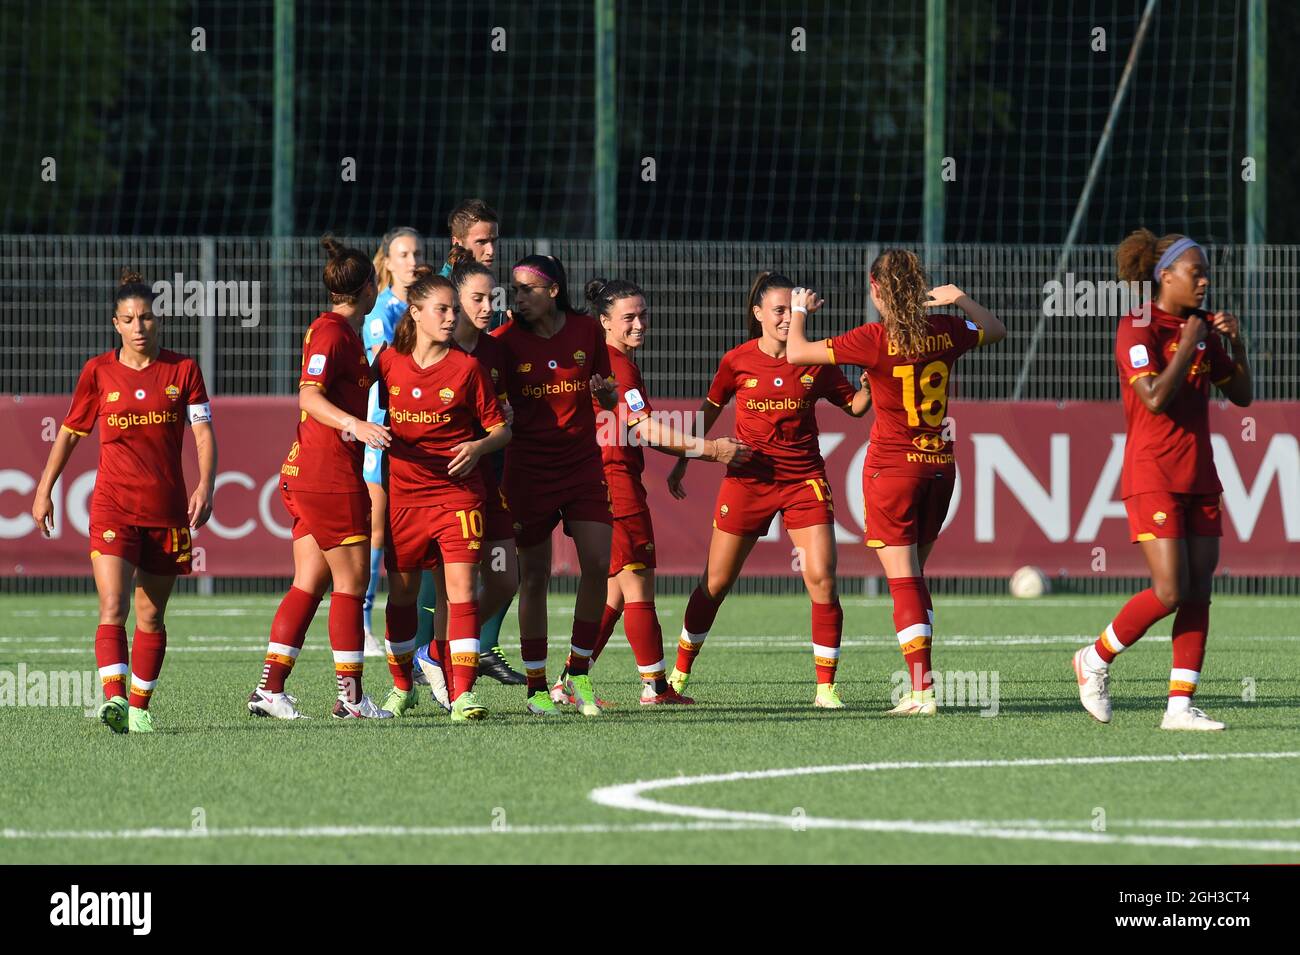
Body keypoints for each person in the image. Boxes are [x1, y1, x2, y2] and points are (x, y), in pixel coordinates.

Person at [786, 249, 1005, 716]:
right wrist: (960, 298)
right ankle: (920, 685)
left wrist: (801, 310)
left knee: (903, 581)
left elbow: (797, 352)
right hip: (940, 467)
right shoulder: (944, 329)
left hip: (892, 469)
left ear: (875, 289)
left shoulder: (873, 338)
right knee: (915, 579)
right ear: (919, 287)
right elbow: (996, 329)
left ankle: (922, 691)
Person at [1071, 230, 1252, 730]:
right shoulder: (1138, 326)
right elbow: (1152, 397)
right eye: (1196, 273)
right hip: (1153, 473)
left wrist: (1234, 345)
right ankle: (1094, 658)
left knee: (1198, 591)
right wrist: (1189, 345)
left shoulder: (1202, 329)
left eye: (1207, 273)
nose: (1205, 281)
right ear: (1164, 276)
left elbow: (1242, 396)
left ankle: (1179, 705)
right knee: (1170, 589)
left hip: (1201, 475)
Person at [667, 272, 871, 707]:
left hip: (803, 480)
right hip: (748, 480)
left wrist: (873, 386)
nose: (784, 318)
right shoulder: (736, 361)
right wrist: (685, 460)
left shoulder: (816, 359)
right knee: (716, 583)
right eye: (777, 310)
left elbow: (854, 407)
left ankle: (825, 688)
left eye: (789, 310)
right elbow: (708, 411)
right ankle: (679, 675)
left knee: (822, 579)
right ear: (758, 314)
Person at [31, 269, 217, 734]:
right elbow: (71, 434)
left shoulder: (183, 371)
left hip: (167, 511)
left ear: (159, 321)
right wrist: (43, 488)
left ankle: (139, 706)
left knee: (151, 615)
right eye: (129, 319)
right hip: (113, 508)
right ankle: (114, 700)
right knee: (113, 605)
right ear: (116, 324)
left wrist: (206, 485)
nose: (139, 327)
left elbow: (203, 433)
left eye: (147, 318)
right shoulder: (98, 372)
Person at [552, 278, 750, 705]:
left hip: (602, 477)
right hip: (612, 481)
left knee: (618, 591)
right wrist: (712, 449)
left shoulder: (610, 360)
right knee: (638, 585)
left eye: (643, 314)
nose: (640, 324)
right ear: (604, 322)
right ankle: (655, 686)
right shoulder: (615, 365)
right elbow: (647, 429)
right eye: (629, 317)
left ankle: (569, 680)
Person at [247, 236, 394, 720]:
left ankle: (269, 689)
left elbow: (354, 381)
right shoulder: (331, 332)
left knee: (308, 582)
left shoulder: (344, 333)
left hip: (307, 472)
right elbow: (308, 396)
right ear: (368, 288)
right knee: (350, 586)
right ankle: (351, 698)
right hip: (327, 474)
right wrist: (356, 425)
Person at [374, 265, 511, 721]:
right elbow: (346, 396)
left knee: (462, 592)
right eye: (443, 309)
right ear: (415, 313)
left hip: (458, 496)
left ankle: (464, 693)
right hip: (406, 499)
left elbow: (500, 430)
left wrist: (479, 445)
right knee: (403, 597)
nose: (452, 317)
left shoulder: (468, 368)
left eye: (455, 309)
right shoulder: (388, 361)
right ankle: (401, 687)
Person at [491, 254, 618, 716]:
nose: (518, 296)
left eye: (527, 289)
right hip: (528, 471)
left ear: (553, 291)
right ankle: (536, 687)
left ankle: (579, 673)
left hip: (581, 464)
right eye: (516, 288)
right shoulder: (503, 342)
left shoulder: (587, 333)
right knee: (536, 576)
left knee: (599, 562)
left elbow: (608, 392)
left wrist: (606, 396)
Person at [413, 198, 526, 691]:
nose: (491, 249)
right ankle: (418, 665)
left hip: (490, 467)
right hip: (431, 473)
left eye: (495, 240)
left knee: (500, 571)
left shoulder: (494, 331)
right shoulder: (437, 308)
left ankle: (465, 648)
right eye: (482, 240)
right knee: (431, 576)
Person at [360, 227, 425, 655]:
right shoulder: (381, 311)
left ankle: (416, 633)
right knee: (377, 525)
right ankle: (363, 622)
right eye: (403, 253)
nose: (411, 260)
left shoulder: (426, 305)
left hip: (420, 432)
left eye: (417, 252)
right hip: (383, 431)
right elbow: (387, 365)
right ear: (387, 260)